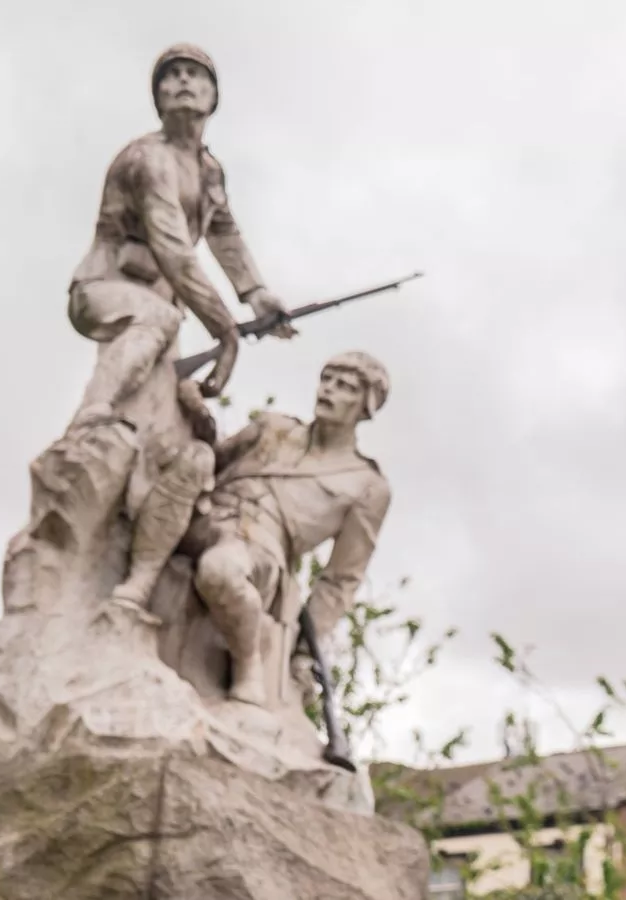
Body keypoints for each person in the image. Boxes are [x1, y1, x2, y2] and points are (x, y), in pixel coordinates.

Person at [66, 43, 295, 613]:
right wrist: (227, 328)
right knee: (158, 315)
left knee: (187, 444)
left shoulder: (208, 169)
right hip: (106, 292)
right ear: (158, 96)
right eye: (171, 77)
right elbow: (173, 248)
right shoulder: (149, 159)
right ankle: (91, 420)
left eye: (196, 76)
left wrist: (257, 295)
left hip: (160, 322)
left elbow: (224, 236)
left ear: (214, 96)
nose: (183, 84)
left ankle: (139, 575)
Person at [181, 351, 392, 706]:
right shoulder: (272, 428)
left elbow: (340, 579)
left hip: (261, 551)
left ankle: (249, 667)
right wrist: (194, 411)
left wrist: (305, 653)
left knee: (220, 571)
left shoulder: (367, 486)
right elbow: (211, 459)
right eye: (326, 380)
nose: (328, 391)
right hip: (206, 515)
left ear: (365, 406)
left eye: (345, 387)